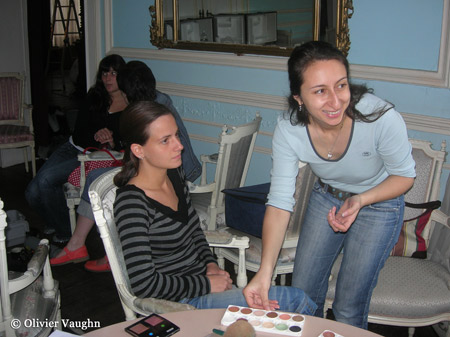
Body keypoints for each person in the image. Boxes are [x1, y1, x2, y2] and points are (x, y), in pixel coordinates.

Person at [242, 41, 416, 329]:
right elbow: (280, 202)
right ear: (298, 97)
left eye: (341, 86)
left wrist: (361, 200)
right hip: (328, 197)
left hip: (380, 202)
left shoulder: (380, 118)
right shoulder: (290, 129)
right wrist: (264, 273)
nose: (335, 102)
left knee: (348, 303)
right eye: (320, 91)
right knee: (303, 294)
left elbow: (404, 176)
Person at [113, 100, 317, 313]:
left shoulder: (173, 175)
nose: (179, 146)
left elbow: (194, 230)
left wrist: (210, 264)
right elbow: (144, 284)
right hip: (179, 305)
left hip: (201, 285)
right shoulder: (132, 204)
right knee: (297, 300)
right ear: (138, 150)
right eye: (165, 141)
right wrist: (206, 284)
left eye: (177, 135)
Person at [50, 61, 202, 272]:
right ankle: (103, 249)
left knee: (98, 179)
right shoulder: (158, 100)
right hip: (180, 167)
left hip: (175, 171)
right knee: (105, 179)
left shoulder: (147, 110)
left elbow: (147, 153)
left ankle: (92, 248)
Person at [26, 54, 127, 243]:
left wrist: (113, 142)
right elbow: (79, 130)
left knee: (45, 182)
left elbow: (126, 141)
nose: (108, 78)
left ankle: (65, 234)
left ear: (122, 75)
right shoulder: (95, 95)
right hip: (74, 147)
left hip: (94, 158)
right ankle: (60, 222)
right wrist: (98, 135)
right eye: (105, 73)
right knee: (31, 192)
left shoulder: (130, 104)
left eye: (113, 73)